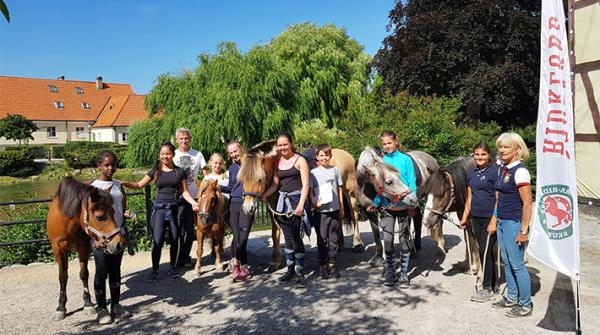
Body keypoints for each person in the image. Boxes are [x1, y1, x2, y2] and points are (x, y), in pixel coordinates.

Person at [122, 142, 199, 282]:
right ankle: (155, 270)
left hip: (175, 209)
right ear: (159, 155)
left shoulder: (179, 172)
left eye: (168, 154)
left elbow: (185, 192)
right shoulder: (155, 171)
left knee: (175, 239)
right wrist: (122, 183)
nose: (165, 156)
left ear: (173, 155)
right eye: (162, 154)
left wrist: (194, 202)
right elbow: (139, 185)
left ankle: (173, 268)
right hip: (159, 210)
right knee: (157, 240)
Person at [490, 132, 533, 317]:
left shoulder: (520, 171)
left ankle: (525, 304)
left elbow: (528, 203)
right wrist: (495, 218)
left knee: (517, 265)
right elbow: (499, 198)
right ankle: (512, 297)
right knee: (507, 263)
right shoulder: (503, 169)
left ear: (518, 149)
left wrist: (523, 230)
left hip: (514, 223)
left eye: (506, 146)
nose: (501, 150)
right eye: (500, 146)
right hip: (502, 222)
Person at [367, 130, 417, 288]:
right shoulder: (380, 163)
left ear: (396, 141)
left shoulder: (406, 159)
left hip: (404, 207)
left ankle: (403, 273)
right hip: (388, 208)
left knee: (404, 242)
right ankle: (390, 270)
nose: (387, 146)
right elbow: (380, 188)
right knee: (387, 242)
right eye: (384, 144)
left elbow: (412, 183)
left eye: (389, 143)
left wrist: (412, 205)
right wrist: (375, 202)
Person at [262, 132, 311, 289]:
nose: (283, 147)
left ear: (291, 144)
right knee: (288, 238)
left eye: (285, 144)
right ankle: (290, 270)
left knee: (296, 238)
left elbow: (305, 185)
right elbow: (276, 183)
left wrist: (301, 205)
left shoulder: (300, 160)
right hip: (282, 204)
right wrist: (265, 195)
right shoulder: (278, 162)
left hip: (296, 201)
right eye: (280, 145)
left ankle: (300, 272)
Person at [90, 150, 132, 324]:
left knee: (116, 272)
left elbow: (122, 207)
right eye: (107, 165)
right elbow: (87, 216)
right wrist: (94, 237)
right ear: (99, 166)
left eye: (113, 165)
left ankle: (116, 304)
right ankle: (101, 309)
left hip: (118, 234)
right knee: (101, 272)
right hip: (101, 237)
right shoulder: (92, 187)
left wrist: (127, 213)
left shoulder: (118, 185)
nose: (110, 168)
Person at [459, 143, 499, 303]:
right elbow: (469, 197)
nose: (480, 157)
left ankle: (487, 287)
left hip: (490, 218)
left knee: (484, 250)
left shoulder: (495, 172)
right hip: (476, 218)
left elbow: (498, 198)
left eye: (483, 154)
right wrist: (464, 217)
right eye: (476, 155)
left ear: (489, 155)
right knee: (484, 250)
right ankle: (495, 282)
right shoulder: (471, 173)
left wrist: (494, 221)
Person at [220, 141, 254, 281]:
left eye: (236, 151)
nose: (234, 154)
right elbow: (231, 187)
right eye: (231, 152)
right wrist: (218, 187)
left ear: (241, 149)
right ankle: (240, 267)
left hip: (247, 202)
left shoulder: (251, 164)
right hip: (234, 203)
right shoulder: (232, 167)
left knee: (243, 236)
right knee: (236, 235)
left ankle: (237, 262)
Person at [173, 128, 207, 268]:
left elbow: (206, 175)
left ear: (190, 138)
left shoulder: (197, 154)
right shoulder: (173, 155)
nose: (184, 141)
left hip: (195, 196)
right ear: (177, 140)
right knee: (180, 230)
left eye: (186, 138)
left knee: (193, 228)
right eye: (181, 138)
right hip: (178, 197)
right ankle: (179, 259)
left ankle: (186, 257)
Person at [309, 144, 344, 279]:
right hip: (321, 211)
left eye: (327, 155)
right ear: (317, 157)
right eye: (321, 155)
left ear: (330, 156)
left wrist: (341, 205)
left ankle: (332, 263)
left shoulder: (335, 170)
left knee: (334, 238)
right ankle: (322, 265)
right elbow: (311, 191)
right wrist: (314, 202)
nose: (324, 158)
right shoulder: (313, 173)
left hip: (334, 209)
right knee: (322, 239)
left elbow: (340, 189)